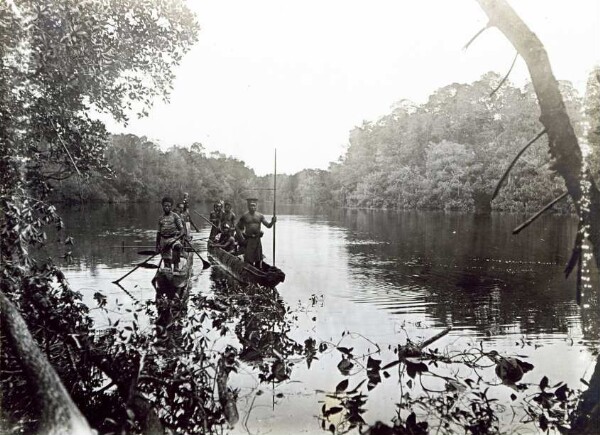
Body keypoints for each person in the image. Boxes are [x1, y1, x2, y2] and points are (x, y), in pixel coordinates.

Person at [235, 198, 276, 268]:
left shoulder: (260, 216)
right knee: (249, 259)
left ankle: (258, 269)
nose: (253, 207)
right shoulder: (245, 216)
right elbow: (237, 227)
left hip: (257, 240)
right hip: (249, 239)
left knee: (258, 258)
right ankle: (249, 269)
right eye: (251, 206)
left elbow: (268, 226)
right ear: (248, 206)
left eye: (254, 206)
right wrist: (241, 238)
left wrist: (272, 222)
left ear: (256, 206)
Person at [156, 196, 185, 271]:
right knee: (167, 265)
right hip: (163, 240)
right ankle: (167, 269)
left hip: (173, 238)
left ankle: (176, 267)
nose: (167, 207)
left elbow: (182, 231)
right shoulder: (160, 218)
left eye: (169, 206)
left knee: (177, 246)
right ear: (162, 206)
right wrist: (157, 246)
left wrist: (175, 239)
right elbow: (158, 233)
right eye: (165, 206)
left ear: (171, 206)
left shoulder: (175, 216)